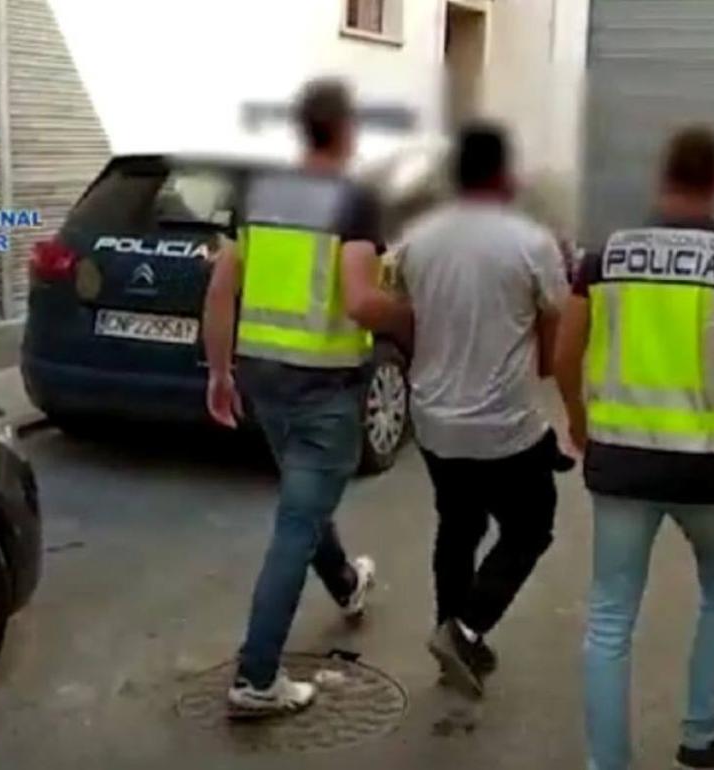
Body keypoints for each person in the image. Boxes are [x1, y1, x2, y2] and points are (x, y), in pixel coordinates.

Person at [554, 125, 714, 770]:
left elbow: (565, 351)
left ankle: (607, 764)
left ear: (661, 179)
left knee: (610, 616)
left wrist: (579, 421)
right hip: (710, 473)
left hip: (619, 462)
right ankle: (701, 735)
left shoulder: (603, 256)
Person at [202, 78, 412, 717]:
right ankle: (256, 677)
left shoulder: (259, 194)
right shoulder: (352, 201)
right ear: (346, 132)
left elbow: (220, 290)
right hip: (323, 383)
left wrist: (219, 373)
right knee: (297, 521)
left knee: (305, 494)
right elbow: (358, 299)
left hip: (264, 379)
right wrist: (409, 309)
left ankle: (348, 585)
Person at [396, 123, 571, 698]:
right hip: (502, 426)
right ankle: (465, 628)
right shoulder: (531, 242)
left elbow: (403, 311)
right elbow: (556, 336)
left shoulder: (417, 240)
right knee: (531, 525)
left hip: (433, 420)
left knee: (459, 523)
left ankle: (455, 637)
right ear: (505, 174)